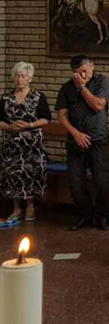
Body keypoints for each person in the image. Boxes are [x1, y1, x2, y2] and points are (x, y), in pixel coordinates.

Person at [56, 55, 109, 231]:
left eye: (84, 71)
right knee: (75, 182)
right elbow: (61, 115)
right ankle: (84, 215)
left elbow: (98, 106)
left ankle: (103, 216)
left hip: (98, 139)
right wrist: (76, 134)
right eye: (76, 73)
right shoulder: (66, 87)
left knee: (101, 180)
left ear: (92, 66)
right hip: (75, 139)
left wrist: (82, 88)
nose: (80, 76)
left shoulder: (102, 82)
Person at [0, 63, 51, 227]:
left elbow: (46, 118)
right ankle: (16, 208)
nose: (19, 79)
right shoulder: (5, 98)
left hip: (31, 144)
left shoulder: (38, 97)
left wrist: (29, 125)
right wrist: (8, 126)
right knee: (13, 174)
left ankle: (30, 207)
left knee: (30, 174)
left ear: (29, 78)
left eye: (22, 76)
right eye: (16, 76)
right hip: (11, 144)